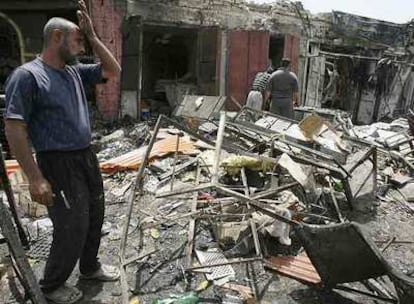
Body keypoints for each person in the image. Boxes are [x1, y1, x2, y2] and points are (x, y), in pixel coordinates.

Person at [4, 1, 121, 303]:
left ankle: (90, 267)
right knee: (72, 224)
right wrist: (34, 177)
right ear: (57, 37)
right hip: (57, 162)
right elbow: (14, 128)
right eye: (78, 40)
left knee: (95, 214)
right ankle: (53, 284)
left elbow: (113, 70)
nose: (81, 47)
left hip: (85, 155)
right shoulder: (28, 76)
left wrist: (94, 37)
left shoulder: (74, 72)